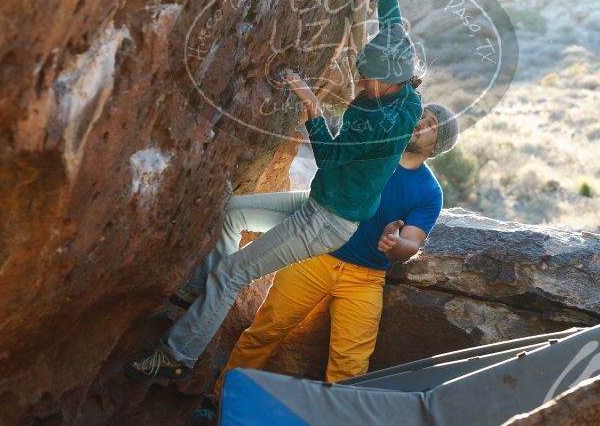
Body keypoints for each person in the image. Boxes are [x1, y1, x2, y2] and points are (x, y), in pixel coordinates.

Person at [125, 0, 424, 380]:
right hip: (318, 202)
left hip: (327, 222)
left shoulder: (378, 123)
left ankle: (174, 356)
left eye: (367, 77)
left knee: (234, 274)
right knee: (230, 214)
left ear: (384, 81)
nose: (362, 80)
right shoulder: (406, 87)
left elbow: (327, 155)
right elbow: (392, 19)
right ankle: (194, 297)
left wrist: (312, 107)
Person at [188, 102, 460, 425]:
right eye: (420, 116)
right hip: (317, 254)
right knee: (266, 329)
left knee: (350, 367)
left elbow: (412, 243)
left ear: (436, 147)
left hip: (365, 279)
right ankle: (218, 402)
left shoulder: (430, 192)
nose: (419, 124)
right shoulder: (375, 151)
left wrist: (395, 244)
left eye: (430, 126)